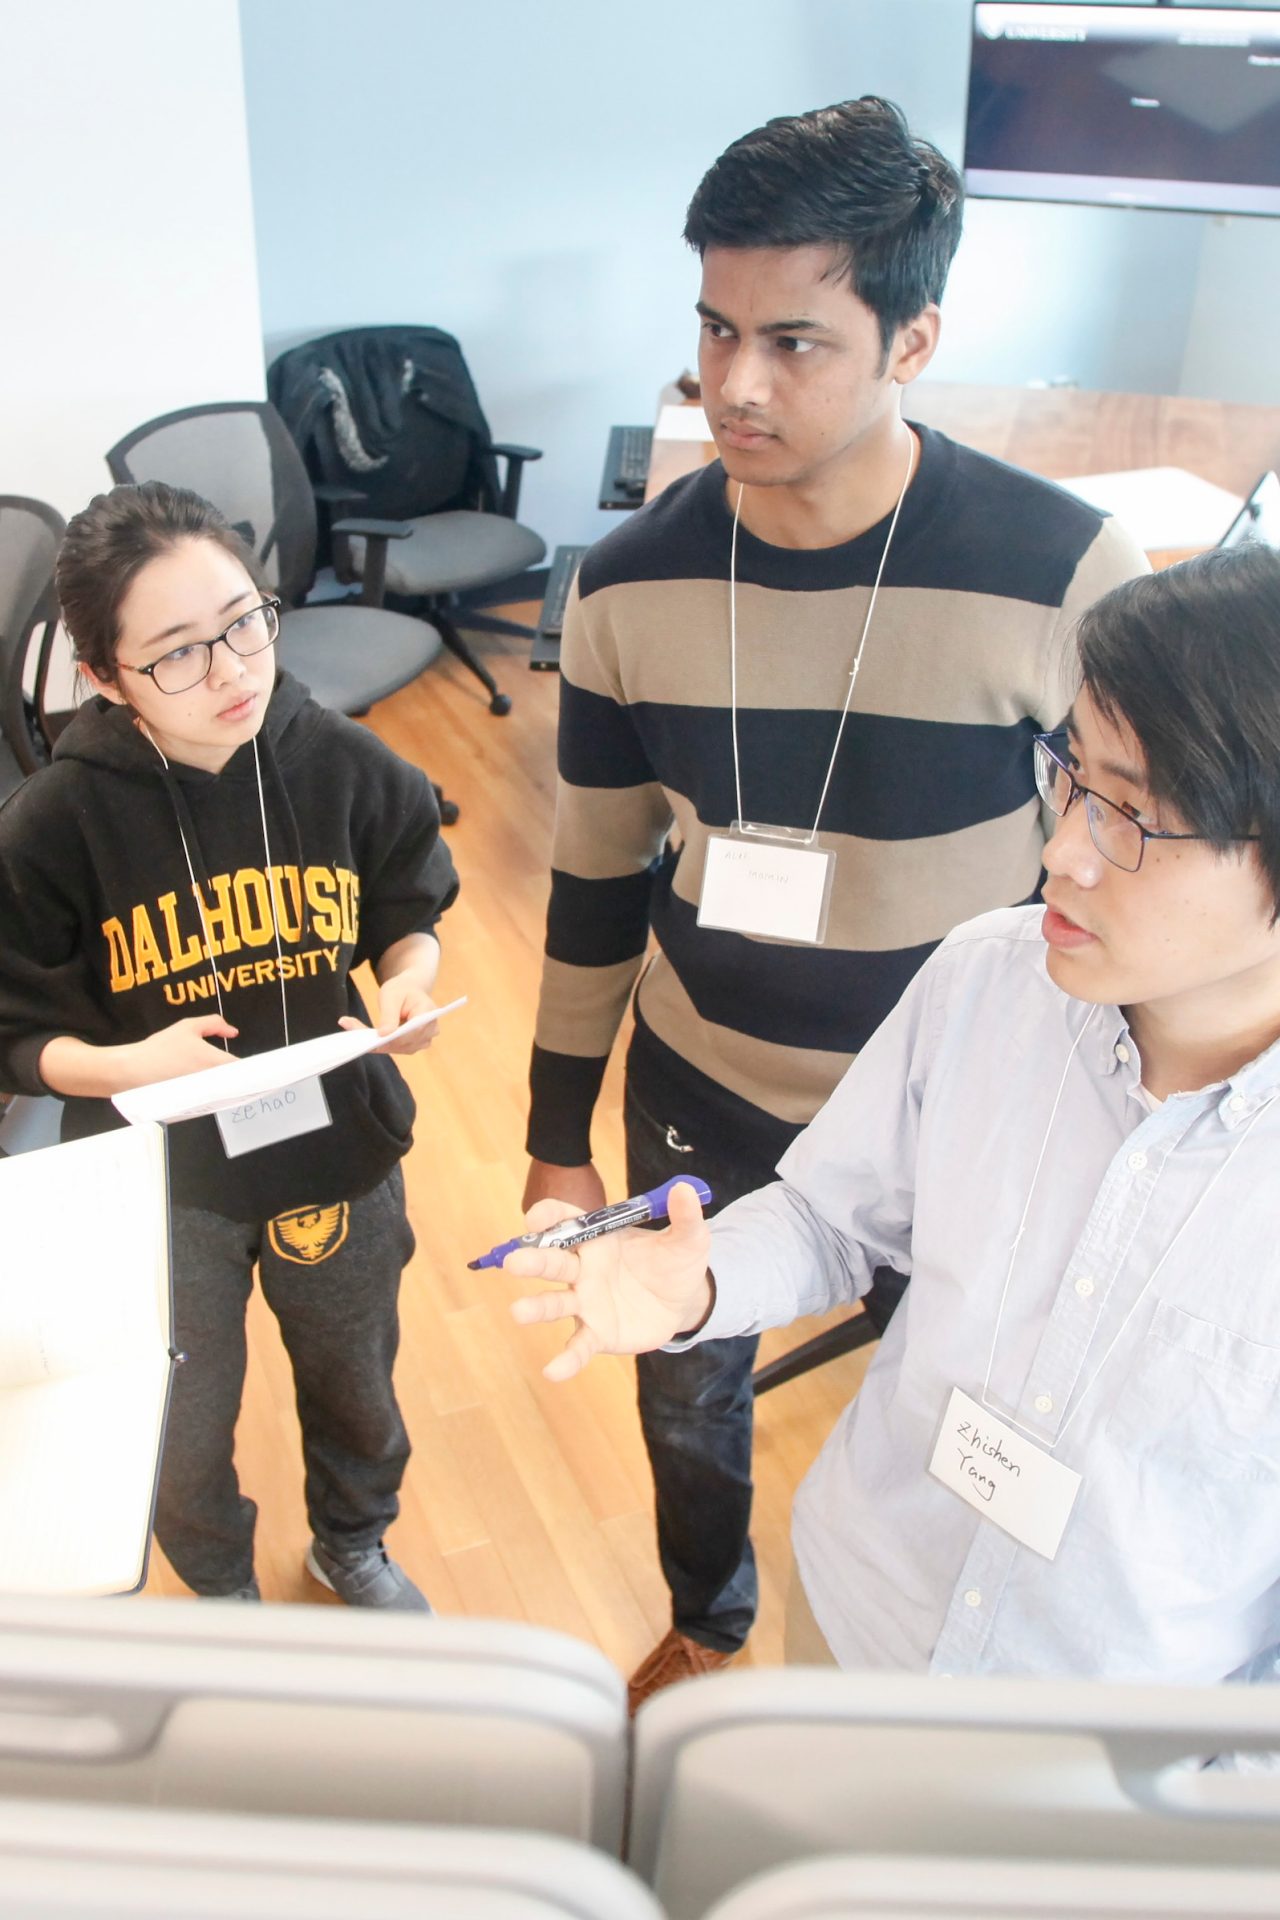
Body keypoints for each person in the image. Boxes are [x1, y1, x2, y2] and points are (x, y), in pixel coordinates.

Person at [522, 96, 1148, 1705]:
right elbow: (595, 870)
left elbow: (1145, 856)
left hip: (978, 1102)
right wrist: (548, 1127)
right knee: (688, 1389)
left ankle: (923, 1670)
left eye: (795, 341)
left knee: (979, 1399)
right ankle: (712, 1620)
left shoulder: (1065, 569)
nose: (734, 384)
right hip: (706, 1087)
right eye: (716, 331)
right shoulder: (625, 583)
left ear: (914, 338)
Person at [509, 544, 1280, 1697]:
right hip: (859, 1603)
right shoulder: (986, 980)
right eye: (1069, 778)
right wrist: (701, 1284)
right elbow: (832, 1217)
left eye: (1133, 818)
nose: (1060, 851)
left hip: (1112, 1748)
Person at [0, 481, 458, 1607]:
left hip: (334, 1160)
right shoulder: (57, 821)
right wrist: (119, 1067)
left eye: (243, 622)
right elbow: (15, 1030)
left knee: (356, 1382)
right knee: (182, 1425)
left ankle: (352, 1541)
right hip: (166, 1188)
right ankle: (220, 1589)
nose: (232, 673)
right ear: (102, 676)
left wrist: (408, 984)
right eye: (176, 656)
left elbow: (410, 904)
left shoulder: (341, 762)